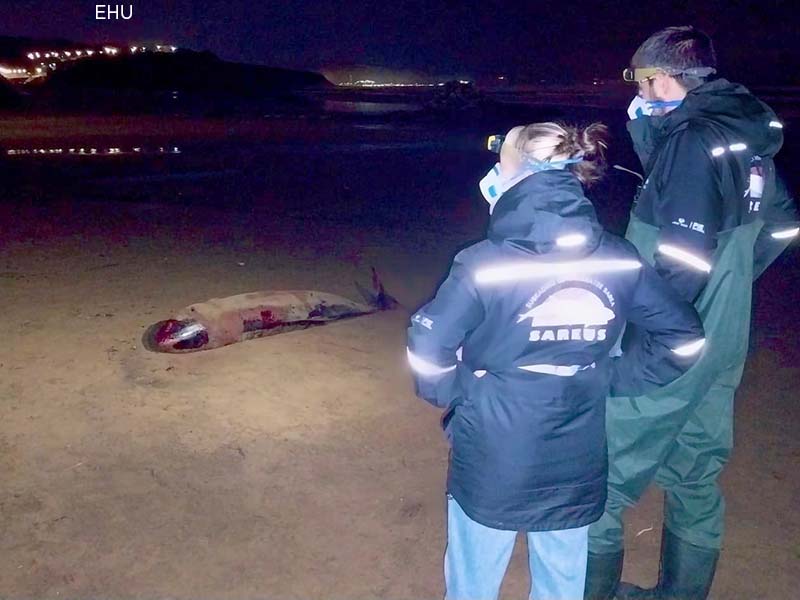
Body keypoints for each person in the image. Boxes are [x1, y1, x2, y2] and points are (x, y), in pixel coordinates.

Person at [406, 121, 707, 600]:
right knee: (563, 578)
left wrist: (462, 389)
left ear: (518, 175)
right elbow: (683, 338)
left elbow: (428, 345)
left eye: (500, 159)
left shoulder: (483, 264)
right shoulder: (618, 257)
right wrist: (608, 377)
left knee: (473, 576)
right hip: (577, 449)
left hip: (493, 450)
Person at [584, 26, 799, 600]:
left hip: (672, 344)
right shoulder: (743, 135)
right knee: (696, 470)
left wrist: (645, 333)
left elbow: (681, 258)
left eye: (640, 80)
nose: (637, 92)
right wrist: (735, 284)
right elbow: (783, 225)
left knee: (602, 472)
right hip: (723, 337)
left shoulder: (691, 141)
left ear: (663, 79)